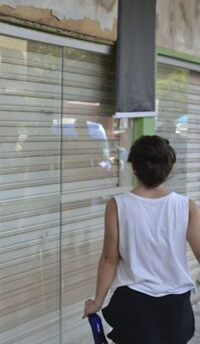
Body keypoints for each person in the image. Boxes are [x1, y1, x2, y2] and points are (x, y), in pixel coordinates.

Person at [83, 135, 200, 343]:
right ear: (168, 170)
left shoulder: (117, 205)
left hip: (133, 308)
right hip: (174, 312)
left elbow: (110, 259)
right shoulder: (186, 207)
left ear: (133, 168)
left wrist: (97, 302)